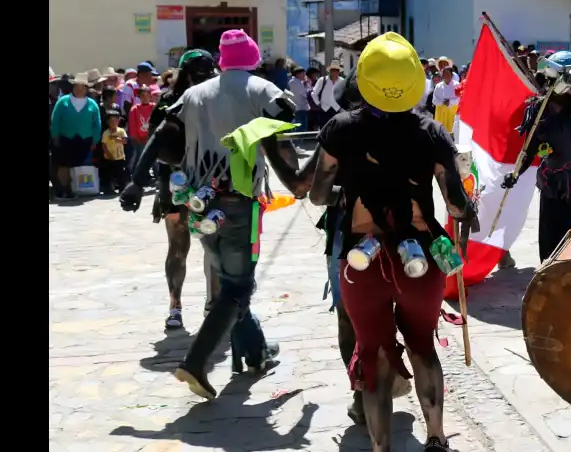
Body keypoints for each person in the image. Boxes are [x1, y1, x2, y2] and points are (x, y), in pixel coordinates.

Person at [308, 32, 476, 452]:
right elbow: (456, 207)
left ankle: (381, 449)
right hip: (419, 256)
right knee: (423, 346)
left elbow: (315, 194)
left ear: (364, 79)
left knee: (374, 357)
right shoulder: (432, 132)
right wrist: (469, 203)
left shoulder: (340, 129)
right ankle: (436, 437)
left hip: (362, 260)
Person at [120, 32, 309, 399]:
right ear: (253, 57)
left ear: (222, 60)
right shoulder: (260, 87)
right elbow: (287, 115)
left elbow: (160, 134)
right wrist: (251, 135)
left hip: (198, 202)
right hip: (241, 200)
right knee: (238, 287)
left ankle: (254, 352)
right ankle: (195, 362)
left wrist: (135, 182)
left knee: (228, 279)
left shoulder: (193, 95)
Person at [121, 50, 221, 330]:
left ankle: (213, 304)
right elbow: (156, 143)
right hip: (174, 183)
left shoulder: (215, 100)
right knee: (179, 245)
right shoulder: (168, 101)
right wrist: (138, 182)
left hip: (209, 182)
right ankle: (175, 305)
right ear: (187, 74)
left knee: (212, 245)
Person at [502, 51, 571, 263]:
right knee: (551, 247)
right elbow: (529, 150)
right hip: (553, 187)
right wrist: (516, 173)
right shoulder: (539, 110)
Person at [51, 73, 102, 198]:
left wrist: (95, 140)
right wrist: (55, 136)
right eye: (77, 86)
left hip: (85, 140)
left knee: (82, 165)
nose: (80, 89)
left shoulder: (92, 104)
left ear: (86, 88)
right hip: (65, 139)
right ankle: (66, 190)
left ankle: (81, 189)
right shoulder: (63, 102)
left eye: (83, 87)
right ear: (73, 87)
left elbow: (97, 123)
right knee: (64, 166)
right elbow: (55, 120)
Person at [127, 86, 155, 176]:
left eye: (147, 95)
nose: (145, 98)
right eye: (143, 96)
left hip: (152, 138)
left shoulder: (154, 107)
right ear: (139, 97)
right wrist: (137, 138)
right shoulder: (134, 109)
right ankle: (136, 175)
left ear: (150, 96)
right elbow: (132, 125)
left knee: (154, 158)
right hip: (139, 139)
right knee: (140, 157)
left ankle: (157, 176)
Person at [100, 109, 128, 193]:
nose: (113, 123)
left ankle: (122, 188)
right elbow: (103, 144)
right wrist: (107, 153)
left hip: (120, 157)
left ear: (118, 121)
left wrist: (120, 140)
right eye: (111, 121)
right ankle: (109, 188)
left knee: (120, 174)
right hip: (109, 157)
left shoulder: (121, 131)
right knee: (109, 174)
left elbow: (125, 141)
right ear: (108, 122)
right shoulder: (106, 133)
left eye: (115, 120)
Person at [431, 67, 460, 136]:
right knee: (440, 132)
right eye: (444, 74)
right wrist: (442, 102)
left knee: (452, 132)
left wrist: (450, 101)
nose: (446, 76)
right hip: (441, 112)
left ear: (452, 75)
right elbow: (434, 100)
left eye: (448, 74)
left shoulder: (457, 85)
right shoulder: (438, 86)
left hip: (452, 112)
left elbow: (459, 98)